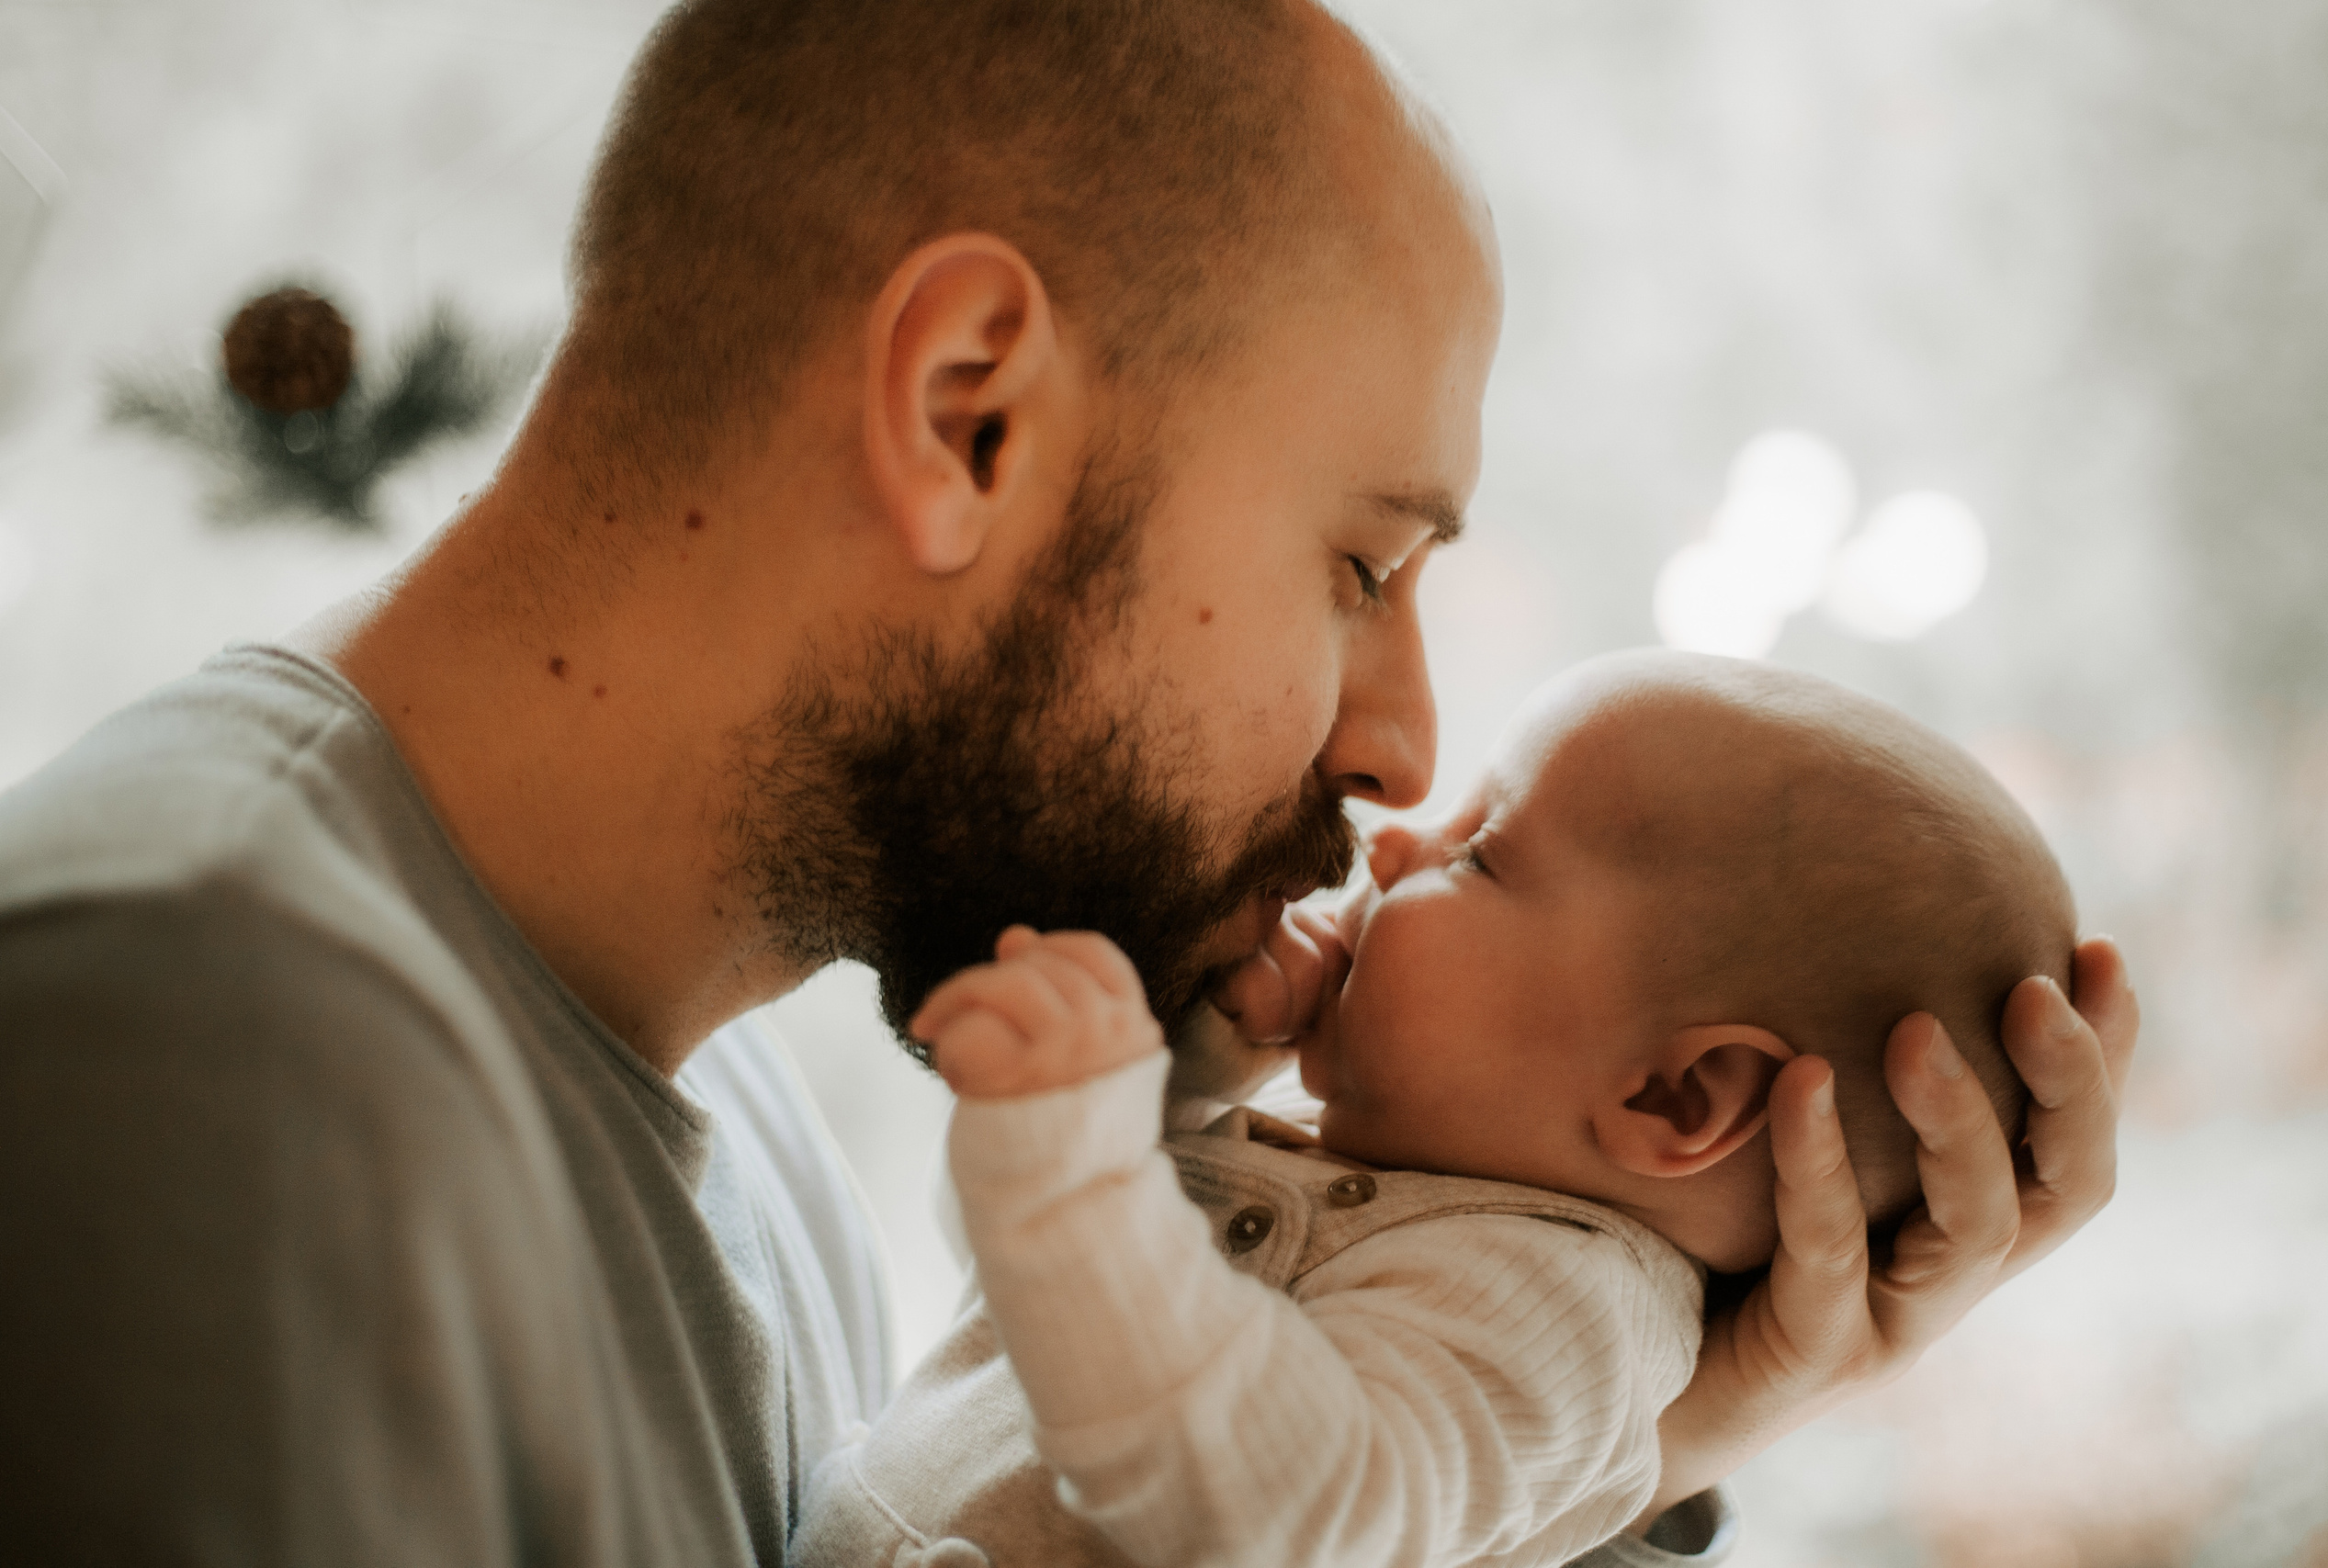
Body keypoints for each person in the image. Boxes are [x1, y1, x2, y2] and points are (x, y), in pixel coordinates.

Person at [0, 2, 2135, 1564]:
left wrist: (1663, 1414)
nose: (1392, 745)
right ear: (967, 415)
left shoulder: (725, 1086)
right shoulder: (186, 1063)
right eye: (1360, 563)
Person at [792, 650, 2080, 1566]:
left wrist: (1077, 1166)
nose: (1399, 843)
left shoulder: (1554, 1317)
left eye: (1481, 852)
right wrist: (1156, 1098)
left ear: (1673, 1094)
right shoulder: (1397, 1196)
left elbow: (1284, 1518)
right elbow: (1029, 1310)